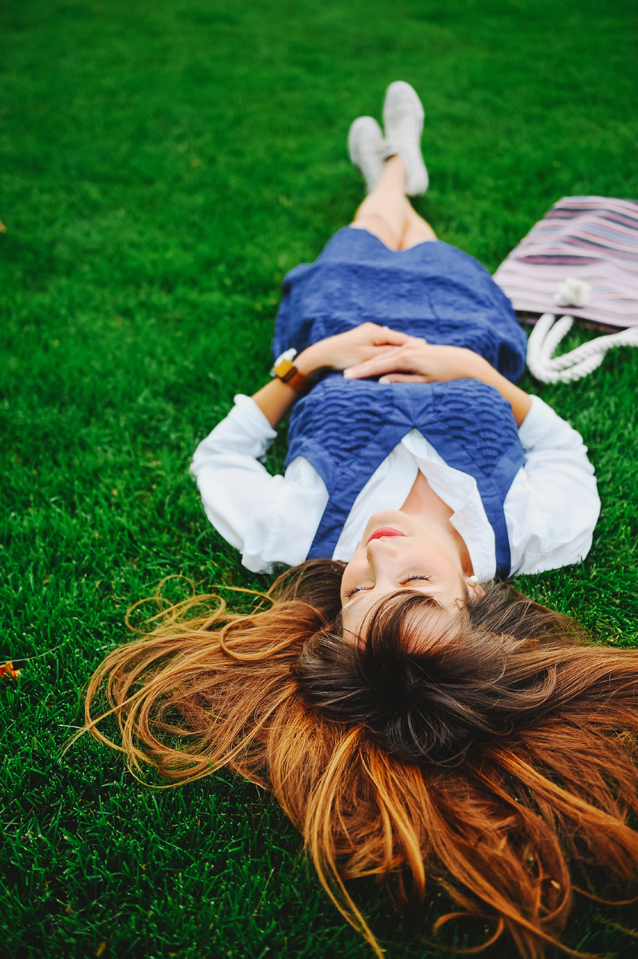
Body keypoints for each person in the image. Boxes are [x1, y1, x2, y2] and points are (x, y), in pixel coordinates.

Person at [82, 84, 638, 959]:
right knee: (428, 243)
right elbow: (566, 452)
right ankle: (397, 169)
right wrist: (477, 374)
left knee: (372, 224)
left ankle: (388, 168)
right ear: (476, 595)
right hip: (468, 325)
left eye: (356, 599)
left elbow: (219, 461)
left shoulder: (291, 533)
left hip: (340, 315)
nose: (375, 561)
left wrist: (306, 368)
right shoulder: (532, 532)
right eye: (411, 582)